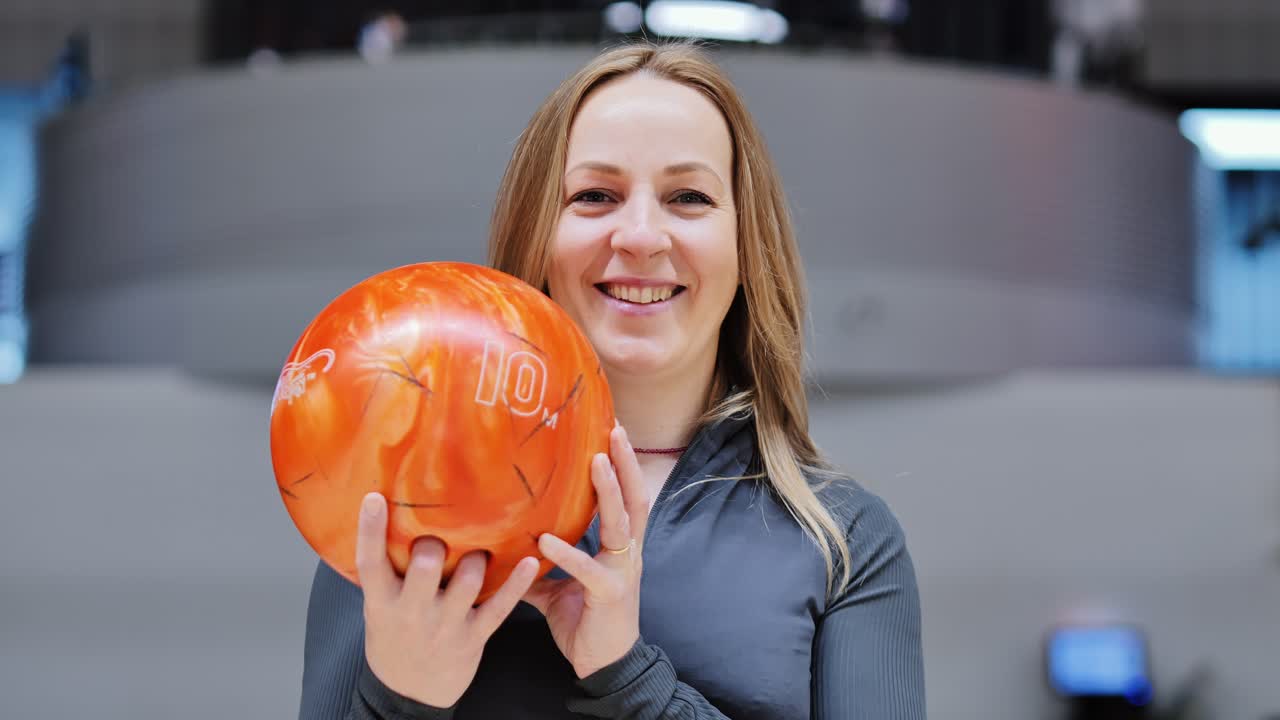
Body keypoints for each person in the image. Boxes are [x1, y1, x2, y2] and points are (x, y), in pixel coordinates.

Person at [298, 39, 925, 719]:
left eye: (688, 197)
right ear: (536, 235)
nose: (641, 236)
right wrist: (401, 700)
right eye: (596, 195)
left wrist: (628, 675)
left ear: (747, 247)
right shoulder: (396, 502)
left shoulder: (845, 540)